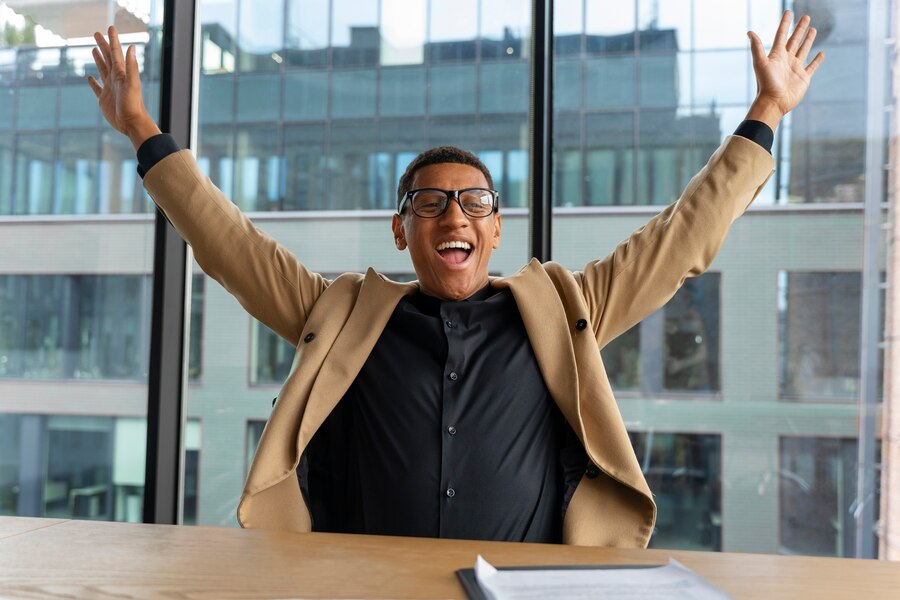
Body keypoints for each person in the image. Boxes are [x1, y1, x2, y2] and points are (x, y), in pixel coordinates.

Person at [88, 11, 823, 547]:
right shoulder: (340, 315)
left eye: (474, 202)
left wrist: (765, 112)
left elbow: (678, 243)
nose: (454, 217)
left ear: (496, 230)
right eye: (430, 203)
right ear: (401, 229)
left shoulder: (566, 311)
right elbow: (230, 246)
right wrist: (144, 131)